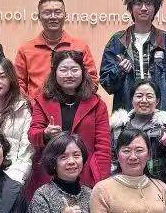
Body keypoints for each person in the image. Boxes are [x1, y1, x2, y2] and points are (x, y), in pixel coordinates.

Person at [27, 50, 112, 195]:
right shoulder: (43, 101)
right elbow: (33, 135)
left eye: (74, 69)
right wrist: (45, 134)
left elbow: (103, 147)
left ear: (83, 72)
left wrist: (101, 181)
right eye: (63, 70)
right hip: (50, 173)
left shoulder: (97, 104)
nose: (69, 75)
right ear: (55, 73)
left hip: (86, 175)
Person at [99, 0, 166, 112]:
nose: (143, 8)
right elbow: (107, 84)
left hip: (159, 113)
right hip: (127, 112)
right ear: (131, 8)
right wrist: (120, 70)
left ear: (155, 8)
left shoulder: (164, 39)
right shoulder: (118, 40)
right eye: (138, 4)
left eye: (148, 4)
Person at [15, 0, 98, 98]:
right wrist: (30, 103)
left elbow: (92, 80)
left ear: (65, 15)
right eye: (47, 13)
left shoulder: (81, 47)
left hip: (74, 106)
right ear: (39, 17)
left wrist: (75, 103)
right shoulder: (25, 49)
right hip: (36, 107)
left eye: (58, 12)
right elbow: (18, 83)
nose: (53, 17)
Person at [109, 78, 166, 190]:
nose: (144, 100)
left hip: (159, 183)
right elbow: (113, 157)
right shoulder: (119, 126)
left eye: (149, 96)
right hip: (125, 182)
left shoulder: (165, 123)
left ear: (157, 101)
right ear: (132, 99)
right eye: (139, 96)